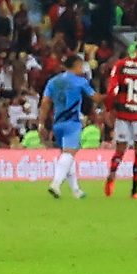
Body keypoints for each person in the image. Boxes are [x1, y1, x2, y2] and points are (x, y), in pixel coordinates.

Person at [101, 43, 137, 199]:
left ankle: (111, 177)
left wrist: (109, 108)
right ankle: (134, 191)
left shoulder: (120, 65)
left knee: (120, 150)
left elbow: (112, 89)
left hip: (123, 113)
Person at [42, 57, 94, 200]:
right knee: (69, 154)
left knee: (68, 156)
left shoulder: (53, 81)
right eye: (81, 66)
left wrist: (41, 124)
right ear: (77, 66)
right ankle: (56, 184)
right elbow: (95, 98)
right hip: (72, 122)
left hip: (57, 123)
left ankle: (76, 190)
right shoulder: (80, 81)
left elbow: (45, 103)